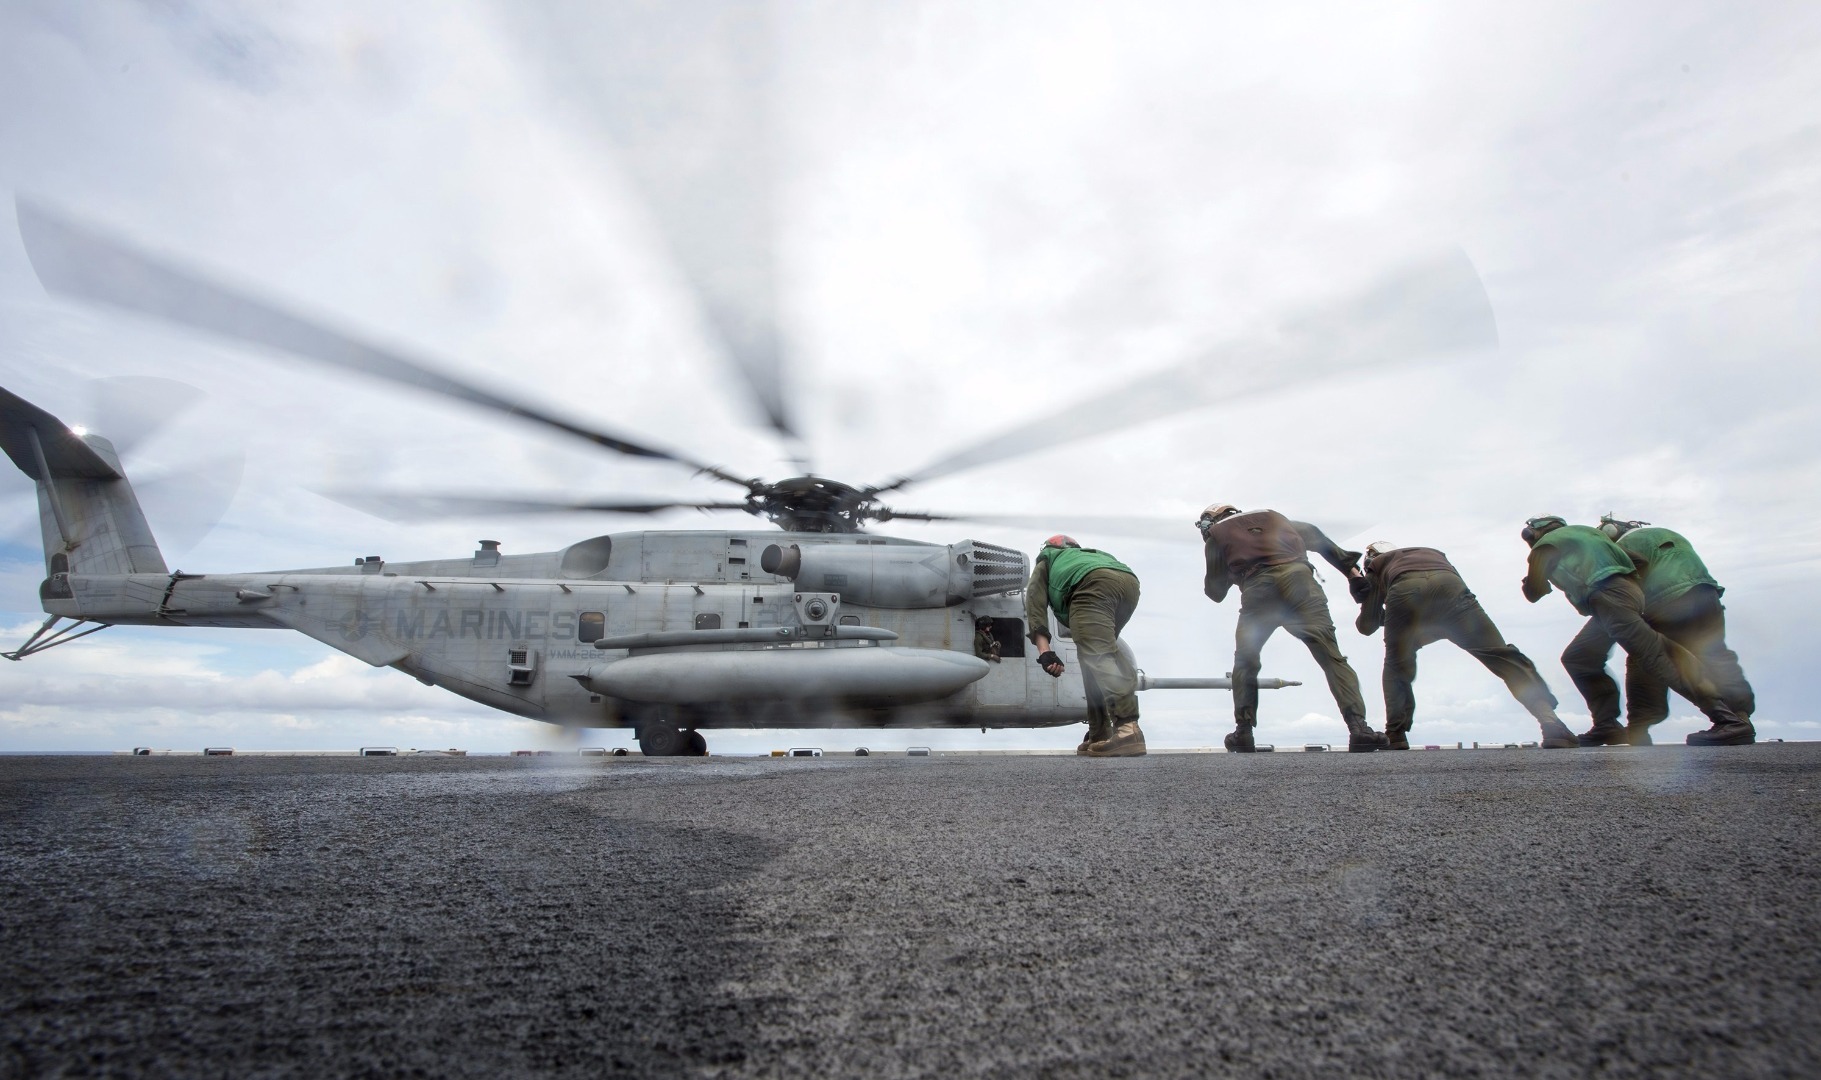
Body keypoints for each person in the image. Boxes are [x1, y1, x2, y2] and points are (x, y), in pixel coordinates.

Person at [1520, 516, 1751, 747]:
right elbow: (1638, 562)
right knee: (1580, 656)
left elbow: (1534, 592)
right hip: (1670, 595)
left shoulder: (1545, 547)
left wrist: (1533, 582)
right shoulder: (1597, 537)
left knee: (1651, 655)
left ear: (1533, 534)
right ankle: (1608, 726)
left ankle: (1724, 719)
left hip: (1623, 599)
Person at [1197, 504, 1388, 753]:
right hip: (1301, 583)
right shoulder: (1279, 521)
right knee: (1331, 657)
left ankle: (1243, 733)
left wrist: (1234, 573)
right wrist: (1353, 575)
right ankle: (1359, 729)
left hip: (1259, 593)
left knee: (1246, 662)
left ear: (1212, 520)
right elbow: (1323, 543)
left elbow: (1215, 593)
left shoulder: (1217, 536)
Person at [1353, 542, 1578, 749]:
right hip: (1450, 587)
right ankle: (1551, 723)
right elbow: (1437, 594)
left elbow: (1367, 626)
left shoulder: (1378, 566)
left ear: (1369, 561)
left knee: (1396, 664)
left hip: (1405, 593)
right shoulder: (1431, 554)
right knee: (1499, 654)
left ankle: (1396, 735)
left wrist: (1366, 598)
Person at [1024, 535, 1145, 757]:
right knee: (1096, 658)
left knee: (1098, 656)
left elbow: (1035, 603)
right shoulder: (1092, 554)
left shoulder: (1048, 558)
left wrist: (1045, 652)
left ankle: (1128, 729)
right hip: (1129, 585)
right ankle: (1099, 733)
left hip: (1090, 585)